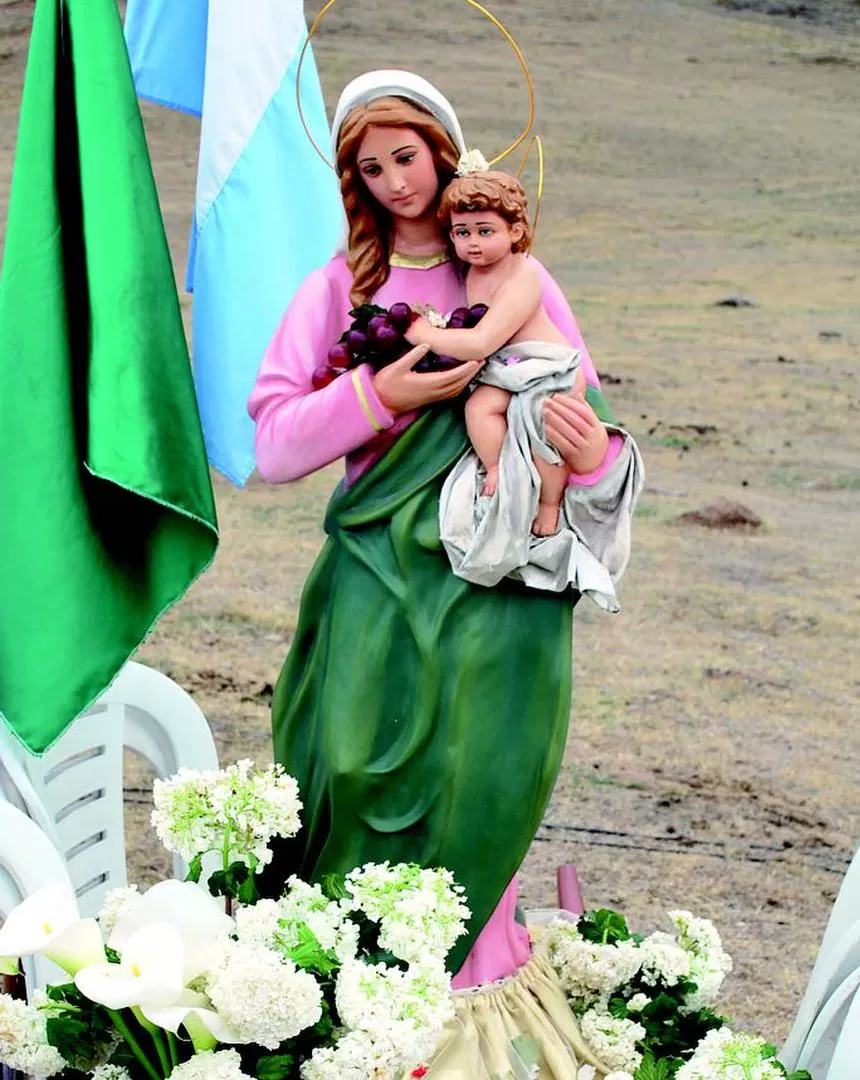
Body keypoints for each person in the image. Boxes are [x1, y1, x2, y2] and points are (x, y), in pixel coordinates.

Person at [248, 69, 643, 1077]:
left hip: (496, 587)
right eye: (369, 166)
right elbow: (275, 446)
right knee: (344, 763)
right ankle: (337, 1014)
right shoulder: (340, 286)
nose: (393, 181)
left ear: (444, 150)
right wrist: (377, 392)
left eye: (406, 157)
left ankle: (471, 1037)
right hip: (379, 575)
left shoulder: (521, 278)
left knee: (477, 777)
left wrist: (586, 453)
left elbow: (586, 431)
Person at [406, 169, 587, 539]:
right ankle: (497, 467)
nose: (473, 243)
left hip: (548, 368)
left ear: (515, 232)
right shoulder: (475, 270)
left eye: (485, 231)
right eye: (462, 233)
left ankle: (549, 504)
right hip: (510, 368)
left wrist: (424, 334)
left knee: (542, 430)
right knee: (479, 408)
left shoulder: (523, 276)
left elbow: (481, 341)